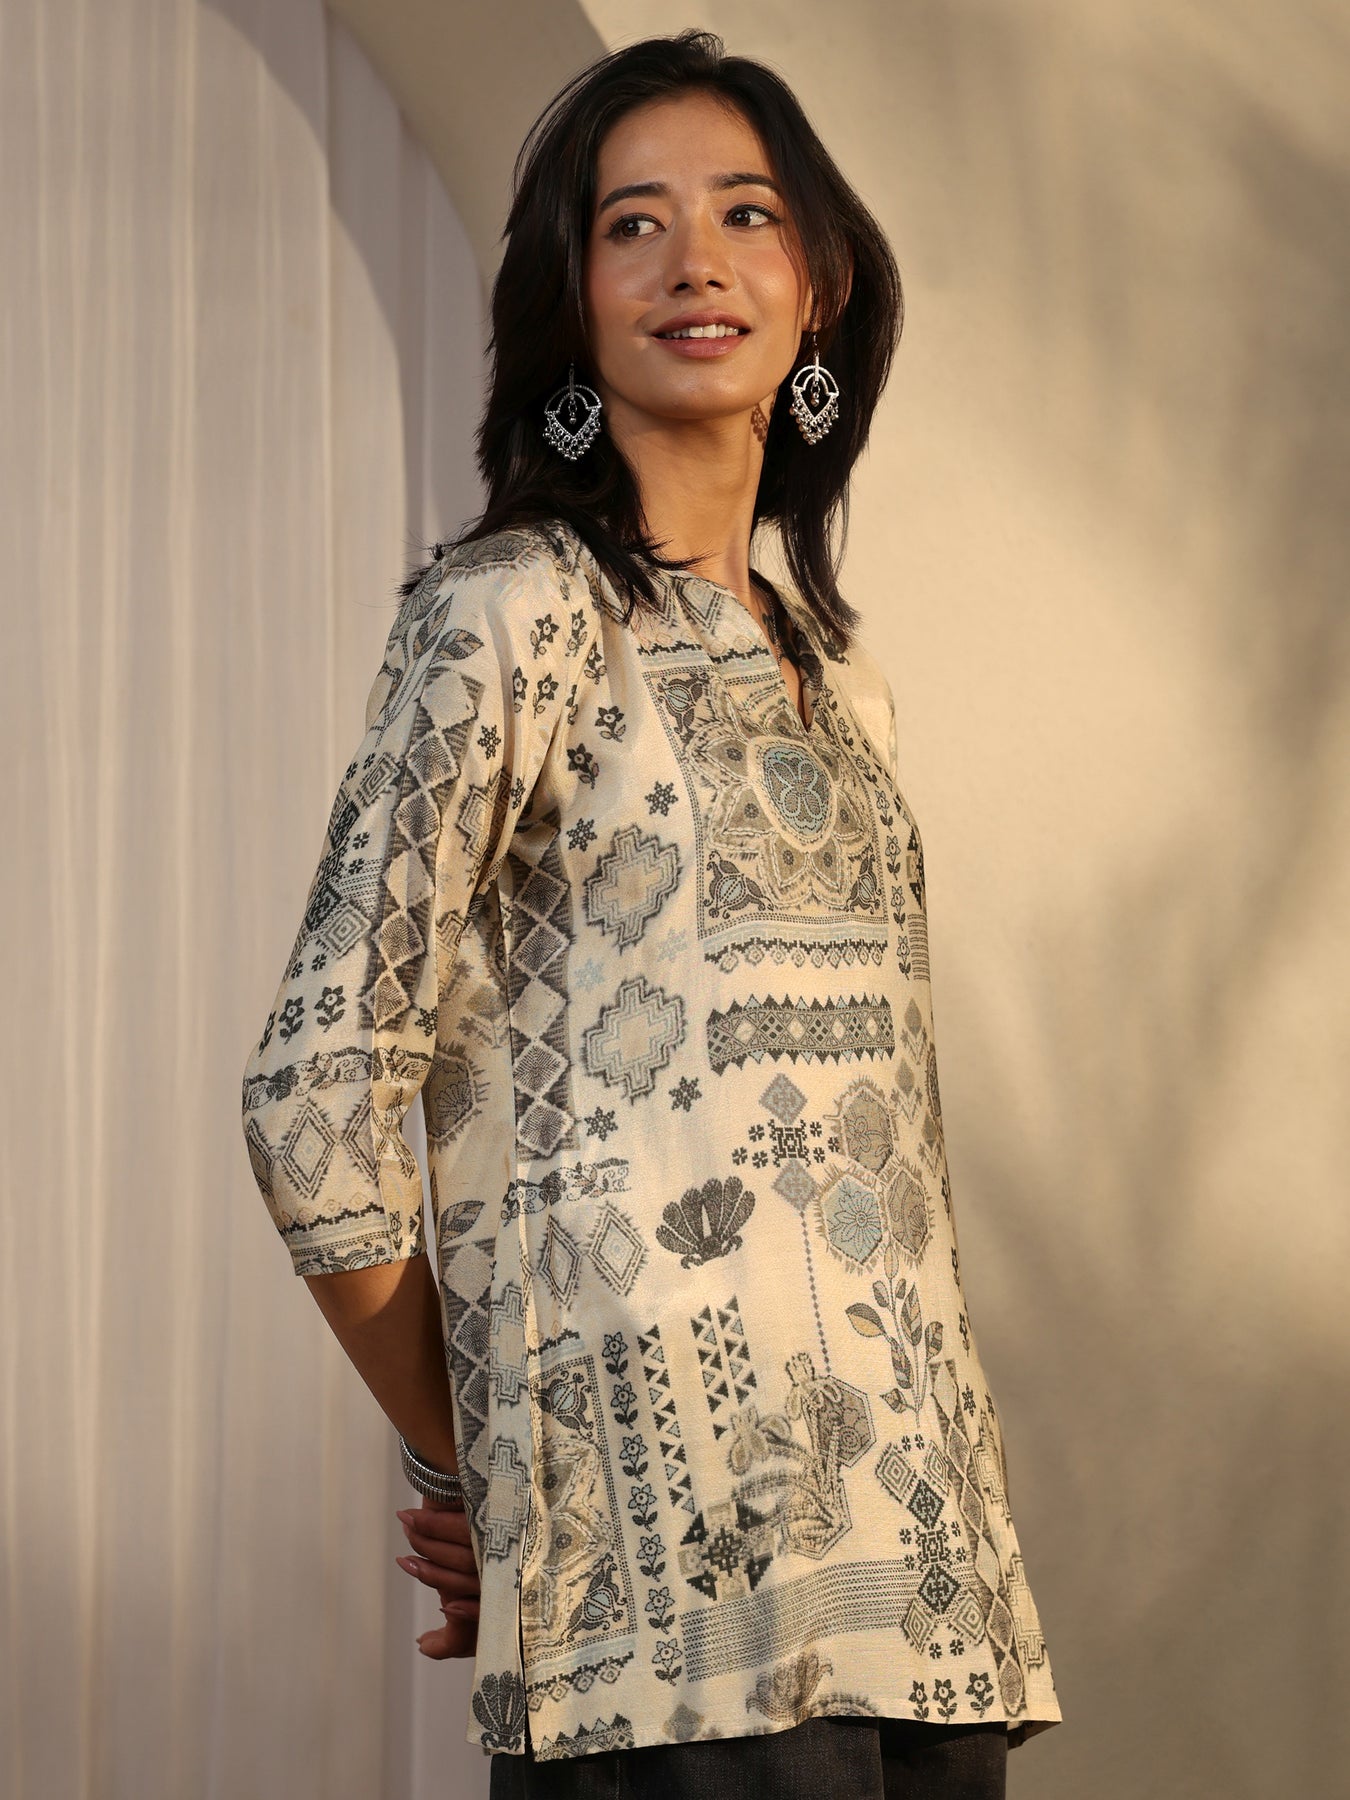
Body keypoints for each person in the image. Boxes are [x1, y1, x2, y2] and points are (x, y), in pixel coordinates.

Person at [240, 29, 1063, 1800]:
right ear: (572, 303)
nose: (695, 258)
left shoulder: (845, 686)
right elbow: (314, 1103)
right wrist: (486, 1466)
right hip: (668, 1653)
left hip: (933, 1617)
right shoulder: (509, 619)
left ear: (815, 286)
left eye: (745, 214)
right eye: (633, 226)